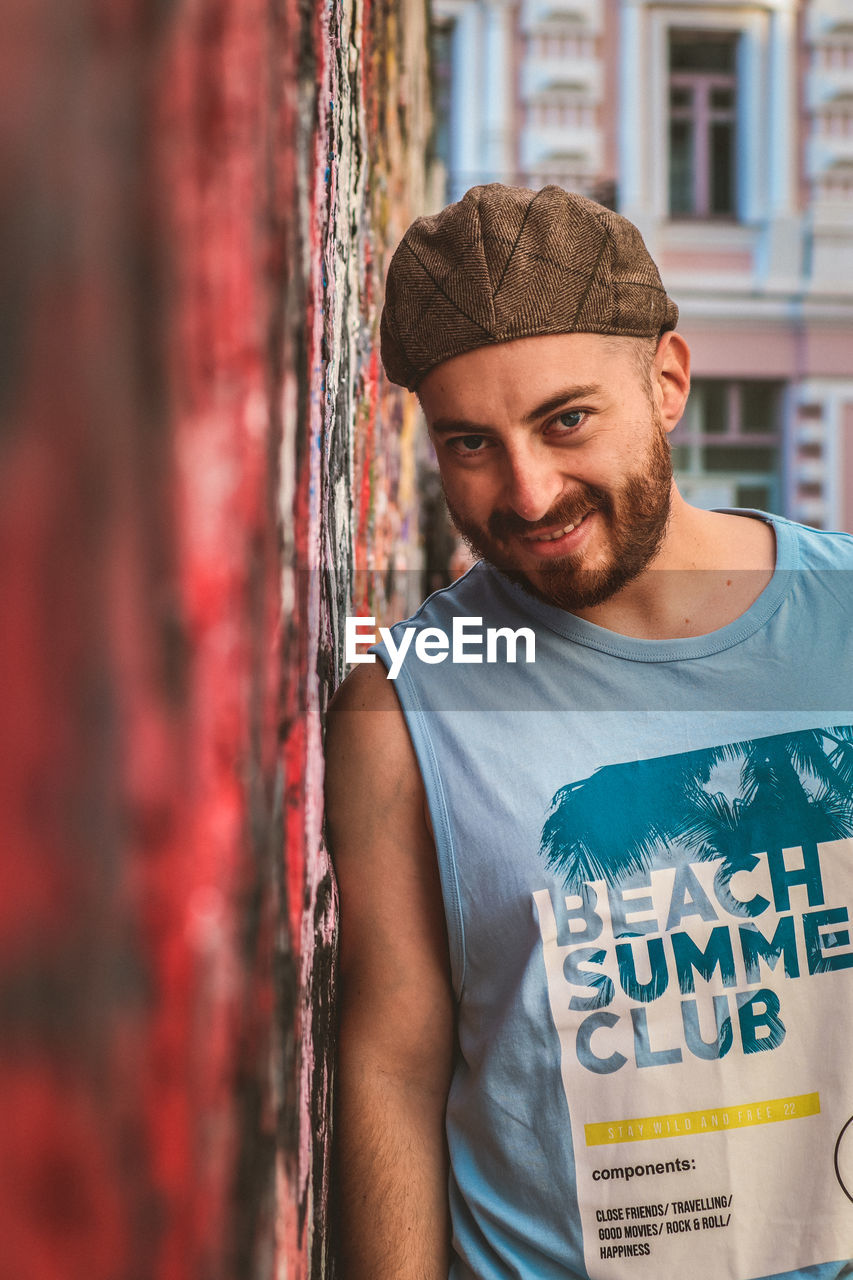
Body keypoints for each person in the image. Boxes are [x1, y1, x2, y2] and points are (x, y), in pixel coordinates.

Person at [324, 185, 853, 1280]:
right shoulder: (401, 704)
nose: (527, 490)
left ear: (666, 381)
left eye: (566, 419)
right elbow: (390, 1066)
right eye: (471, 442)